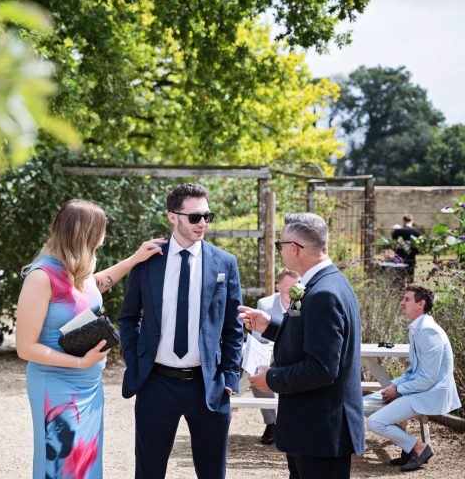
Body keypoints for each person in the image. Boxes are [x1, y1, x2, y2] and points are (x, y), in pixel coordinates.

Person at [16, 199, 166, 479]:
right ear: (85, 234)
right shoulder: (41, 277)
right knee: (60, 465)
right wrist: (79, 362)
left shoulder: (77, 273)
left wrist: (134, 260)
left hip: (89, 388)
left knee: (85, 464)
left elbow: (96, 285)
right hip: (56, 388)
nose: (104, 238)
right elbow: (25, 347)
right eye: (101, 231)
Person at [119, 182, 244, 479]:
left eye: (207, 216)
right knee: (148, 472)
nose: (203, 223)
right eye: (195, 217)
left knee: (212, 472)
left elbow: (233, 326)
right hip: (156, 383)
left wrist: (229, 376)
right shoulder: (148, 260)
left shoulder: (225, 263)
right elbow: (128, 317)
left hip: (207, 385)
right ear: (173, 217)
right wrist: (136, 362)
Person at [238, 213, 365, 479]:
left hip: (320, 432)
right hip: (313, 429)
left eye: (280, 245)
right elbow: (311, 337)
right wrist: (270, 326)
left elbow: (321, 368)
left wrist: (270, 379)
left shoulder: (324, 293)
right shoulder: (326, 283)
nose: (281, 251)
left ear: (294, 248)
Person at [364, 284, 461, 472]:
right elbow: (414, 371)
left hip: (430, 393)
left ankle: (419, 448)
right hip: (416, 388)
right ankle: (408, 448)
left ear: (420, 304)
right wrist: (394, 385)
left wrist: (398, 390)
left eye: (406, 299)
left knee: (375, 422)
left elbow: (428, 379)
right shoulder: (417, 327)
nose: (402, 302)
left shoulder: (428, 331)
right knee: (361, 404)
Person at [250, 268, 301, 445]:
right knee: (258, 370)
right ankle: (271, 423)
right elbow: (258, 338)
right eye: (286, 287)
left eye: (294, 287)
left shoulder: (307, 303)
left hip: (298, 357)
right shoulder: (265, 304)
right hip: (272, 354)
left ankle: (295, 424)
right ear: (278, 286)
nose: (289, 292)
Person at [391, 214, 422, 281]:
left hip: (399, 256)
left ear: (403, 220)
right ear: (412, 220)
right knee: (410, 274)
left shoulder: (398, 231)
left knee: (400, 274)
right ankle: (410, 289)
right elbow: (419, 245)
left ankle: (400, 289)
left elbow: (393, 241)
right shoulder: (416, 232)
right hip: (411, 257)